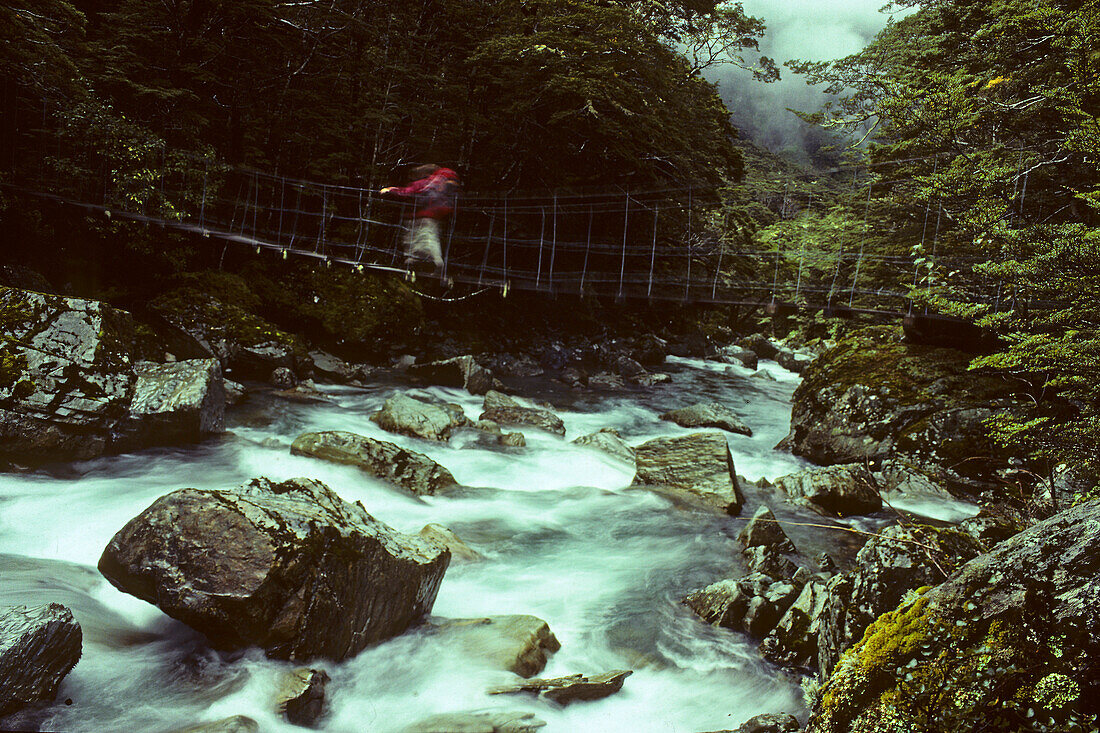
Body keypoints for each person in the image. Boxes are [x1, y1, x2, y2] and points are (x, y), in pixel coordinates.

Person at [380, 164, 459, 280]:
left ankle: (417, 264)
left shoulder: (426, 183)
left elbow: (407, 192)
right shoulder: (447, 180)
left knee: (413, 241)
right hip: (433, 218)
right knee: (429, 240)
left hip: (418, 217)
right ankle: (432, 264)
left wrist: (390, 190)